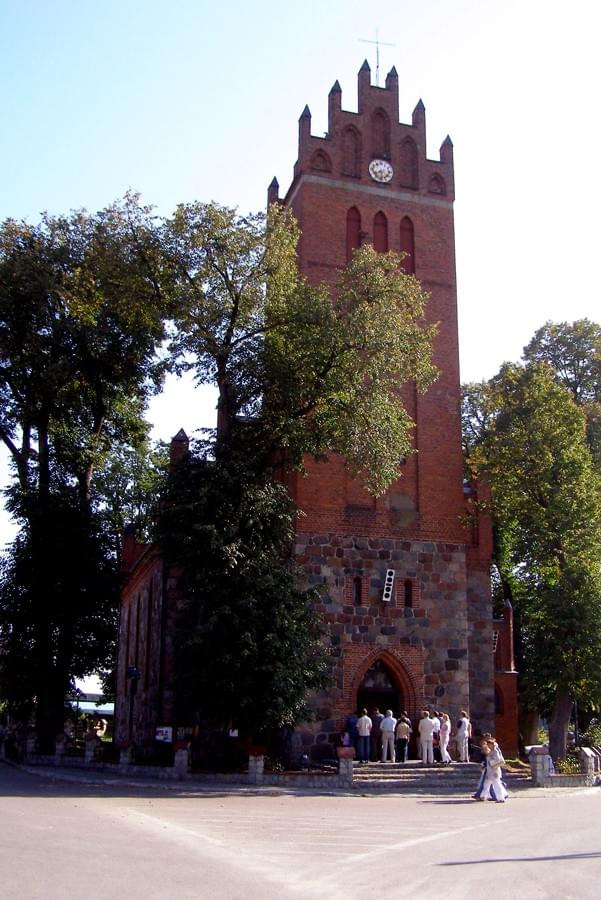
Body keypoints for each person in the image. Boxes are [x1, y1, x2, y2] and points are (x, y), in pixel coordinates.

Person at [478, 737, 508, 802]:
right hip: (490, 771)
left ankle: (501, 798)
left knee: (497, 785)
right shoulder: (491, 751)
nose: (488, 745)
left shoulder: (495, 751)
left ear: (492, 744)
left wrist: (490, 760)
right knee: (486, 784)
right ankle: (483, 796)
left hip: (494, 771)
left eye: (489, 744)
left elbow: (498, 760)